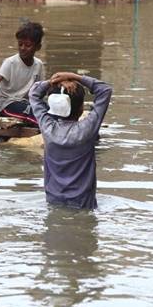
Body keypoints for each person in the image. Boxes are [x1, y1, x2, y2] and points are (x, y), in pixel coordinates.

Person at [29, 72, 112, 210]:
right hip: (83, 204)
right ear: (80, 109)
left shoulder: (48, 128)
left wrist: (52, 81)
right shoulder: (87, 129)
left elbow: (34, 93)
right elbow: (105, 90)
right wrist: (75, 76)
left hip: (53, 201)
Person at [0, 22, 45, 125]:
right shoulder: (10, 63)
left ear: (38, 47)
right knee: (33, 115)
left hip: (25, 104)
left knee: (44, 111)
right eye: (20, 44)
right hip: (6, 104)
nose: (23, 48)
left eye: (28, 45)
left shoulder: (39, 65)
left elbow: (39, 90)